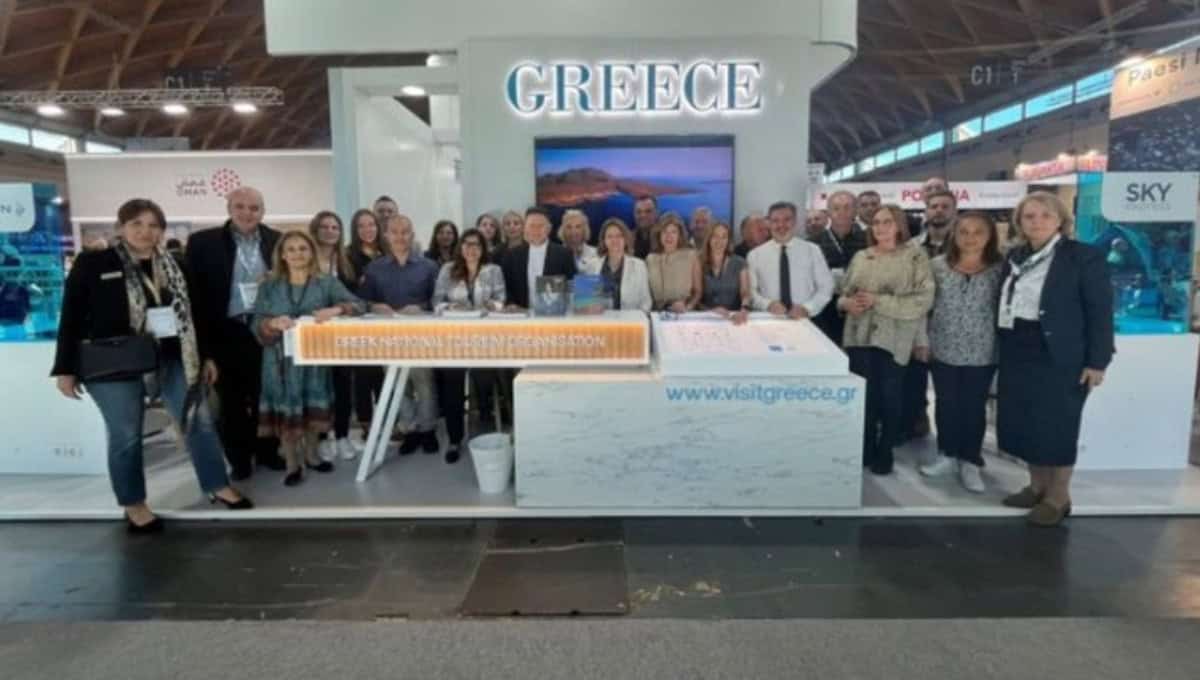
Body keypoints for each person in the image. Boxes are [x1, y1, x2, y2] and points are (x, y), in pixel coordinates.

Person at [52, 198, 252, 533]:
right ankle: (134, 504)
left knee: (198, 420)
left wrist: (206, 356)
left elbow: (197, 315)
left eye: (153, 225)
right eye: (137, 224)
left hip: (173, 357)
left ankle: (217, 484)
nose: (145, 232)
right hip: (114, 361)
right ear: (121, 227)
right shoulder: (94, 262)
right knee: (126, 434)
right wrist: (65, 368)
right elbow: (71, 316)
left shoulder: (176, 264)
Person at [997, 192, 1114, 527]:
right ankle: (1036, 486)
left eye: (1045, 215)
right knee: (1025, 420)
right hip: (1017, 346)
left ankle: (1058, 496)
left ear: (1061, 220)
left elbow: (1100, 311)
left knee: (1058, 424)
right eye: (1029, 216)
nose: (1037, 222)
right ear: (1019, 222)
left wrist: (1098, 361)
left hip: (1060, 353)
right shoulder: (1015, 255)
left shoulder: (1082, 257)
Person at [185, 186, 285, 480]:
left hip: (266, 331)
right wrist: (205, 351)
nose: (247, 213)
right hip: (226, 332)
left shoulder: (277, 240)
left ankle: (267, 452)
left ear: (263, 211)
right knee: (231, 401)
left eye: (254, 208)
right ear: (229, 208)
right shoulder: (203, 243)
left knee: (266, 396)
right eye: (240, 206)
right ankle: (239, 459)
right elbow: (195, 299)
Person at [253, 230, 364, 486]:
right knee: (286, 410)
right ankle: (292, 464)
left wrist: (336, 309)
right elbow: (256, 321)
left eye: (303, 248)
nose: (297, 254)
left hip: (314, 361)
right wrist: (272, 323)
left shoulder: (326, 283)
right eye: (291, 249)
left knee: (314, 410)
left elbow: (360, 305)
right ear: (282, 255)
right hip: (279, 362)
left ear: (312, 252)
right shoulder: (269, 285)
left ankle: (312, 456)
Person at [839, 204, 934, 475]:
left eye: (887, 222)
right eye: (877, 222)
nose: (880, 227)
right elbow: (844, 292)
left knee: (890, 397)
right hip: (859, 336)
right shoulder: (862, 256)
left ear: (899, 225)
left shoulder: (915, 257)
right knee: (865, 396)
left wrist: (878, 302)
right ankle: (866, 446)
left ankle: (885, 450)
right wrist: (846, 304)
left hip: (895, 337)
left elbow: (922, 301)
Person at [917, 212, 1005, 493]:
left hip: (984, 349)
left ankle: (970, 460)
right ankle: (947, 454)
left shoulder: (1001, 269)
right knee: (946, 403)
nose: (970, 238)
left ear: (990, 236)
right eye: (964, 232)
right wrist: (922, 341)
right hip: (943, 347)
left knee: (973, 406)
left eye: (978, 232)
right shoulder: (937, 266)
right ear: (954, 235)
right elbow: (924, 307)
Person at [361, 214, 441, 455]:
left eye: (405, 232)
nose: (400, 237)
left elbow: (439, 301)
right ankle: (410, 430)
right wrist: (375, 306)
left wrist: (422, 307)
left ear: (412, 234)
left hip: (420, 336)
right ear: (386, 235)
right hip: (388, 337)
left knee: (424, 383)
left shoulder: (429, 266)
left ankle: (428, 430)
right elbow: (363, 301)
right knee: (398, 384)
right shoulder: (374, 268)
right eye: (394, 232)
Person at [432, 229, 506, 462]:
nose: (471, 249)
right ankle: (454, 440)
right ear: (460, 247)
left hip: (485, 339)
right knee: (452, 384)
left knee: (484, 378)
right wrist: (450, 307)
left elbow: (501, 299)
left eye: (476, 244)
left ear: (483, 248)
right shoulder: (447, 270)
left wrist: (492, 306)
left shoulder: (493, 270)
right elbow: (436, 301)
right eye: (467, 244)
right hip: (454, 340)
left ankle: (484, 425)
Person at [901, 188, 958, 443]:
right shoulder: (911, 247)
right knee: (913, 381)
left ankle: (951, 443)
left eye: (945, 206)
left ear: (955, 211)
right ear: (926, 211)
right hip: (916, 322)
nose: (939, 211)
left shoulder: (967, 244)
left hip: (953, 324)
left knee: (949, 389)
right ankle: (916, 424)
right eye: (934, 206)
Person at [309, 211, 361, 462]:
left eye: (335, 227)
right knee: (318, 385)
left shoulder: (346, 261)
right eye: (324, 226)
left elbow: (355, 299)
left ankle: (342, 436)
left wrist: (340, 309)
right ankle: (321, 438)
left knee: (343, 384)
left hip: (341, 332)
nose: (330, 231)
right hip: (313, 332)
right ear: (315, 230)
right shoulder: (305, 260)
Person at [344, 208, 389, 441]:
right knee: (364, 372)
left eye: (371, 224)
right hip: (360, 320)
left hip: (387, 318)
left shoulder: (387, 251)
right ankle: (367, 422)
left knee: (385, 373)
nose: (367, 229)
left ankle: (388, 421)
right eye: (361, 226)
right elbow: (346, 290)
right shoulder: (347, 255)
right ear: (355, 229)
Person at [748, 201, 835, 320]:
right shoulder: (755, 255)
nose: (781, 225)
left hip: (805, 319)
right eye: (775, 221)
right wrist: (767, 304)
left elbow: (826, 287)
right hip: (769, 318)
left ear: (795, 221)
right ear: (769, 223)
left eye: (787, 219)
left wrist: (807, 308)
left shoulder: (812, 250)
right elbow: (750, 292)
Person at [811, 190, 868, 343]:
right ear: (828, 213)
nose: (842, 212)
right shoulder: (813, 243)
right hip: (825, 311)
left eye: (847, 207)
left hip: (860, 309)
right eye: (836, 208)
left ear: (855, 211)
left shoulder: (868, 241)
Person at [500, 207, 577, 309]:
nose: (536, 230)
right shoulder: (512, 255)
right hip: (521, 314)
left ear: (549, 228)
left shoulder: (564, 254)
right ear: (525, 228)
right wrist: (511, 303)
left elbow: (572, 285)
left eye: (540, 226)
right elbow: (506, 286)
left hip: (554, 314)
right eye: (532, 226)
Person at [580, 218, 653, 313]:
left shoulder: (639, 265)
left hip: (630, 320)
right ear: (604, 240)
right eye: (610, 236)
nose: (614, 240)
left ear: (626, 239)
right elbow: (582, 304)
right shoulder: (591, 265)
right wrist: (588, 307)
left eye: (619, 236)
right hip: (600, 320)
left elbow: (646, 302)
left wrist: (636, 319)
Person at [647, 217, 702, 312]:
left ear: (679, 235)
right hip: (657, 313)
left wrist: (688, 307)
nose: (669, 236)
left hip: (683, 313)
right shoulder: (650, 259)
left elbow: (698, 292)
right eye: (665, 232)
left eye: (673, 232)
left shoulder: (691, 256)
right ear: (659, 234)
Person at [699, 222, 750, 323]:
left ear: (728, 240)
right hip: (707, 318)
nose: (719, 241)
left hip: (734, 317)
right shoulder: (699, 262)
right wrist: (711, 311)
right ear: (709, 239)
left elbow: (745, 293)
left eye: (724, 237)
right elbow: (696, 297)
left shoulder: (739, 262)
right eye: (715, 236)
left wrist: (744, 309)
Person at [631, 195, 660, 259]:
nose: (643, 215)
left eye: (648, 211)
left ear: (657, 213)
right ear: (634, 214)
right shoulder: (627, 239)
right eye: (639, 212)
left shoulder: (665, 238)